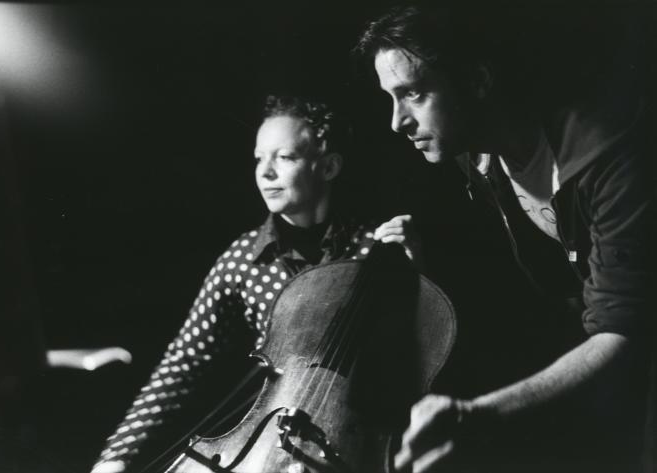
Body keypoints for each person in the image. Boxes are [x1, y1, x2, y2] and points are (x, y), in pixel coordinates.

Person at [355, 5, 653, 473]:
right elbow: (538, 293)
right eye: (391, 97)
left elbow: (625, 332)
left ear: (477, 80)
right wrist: (429, 266)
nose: (397, 121)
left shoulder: (608, 154)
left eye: (412, 94)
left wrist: (479, 415)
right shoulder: (477, 154)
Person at [91, 94, 423, 473]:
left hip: (356, 446)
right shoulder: (241, 260)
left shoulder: (374, 249)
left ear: (328, 167)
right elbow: (180, 366)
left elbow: (418, 354)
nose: (265, 173)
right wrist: (115, 457)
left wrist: (416, 273)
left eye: (284, 157)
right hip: (268, 446)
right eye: (258, 159)